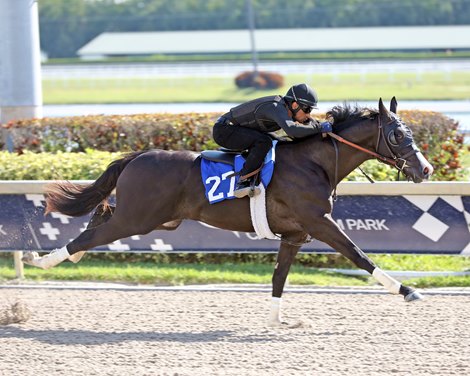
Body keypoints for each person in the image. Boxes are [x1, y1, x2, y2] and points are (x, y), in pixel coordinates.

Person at [212, 83, 332, 198]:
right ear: (295, 105)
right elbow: (292, 130)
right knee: (264, 142)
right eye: (307, 110)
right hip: (224, 131)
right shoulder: (275, 108)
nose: (308, 115)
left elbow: (304, 126)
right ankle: (243, 182)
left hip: (238, 129)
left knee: (279, 143)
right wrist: (319, 127)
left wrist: (319, 125)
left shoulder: (285, 108)